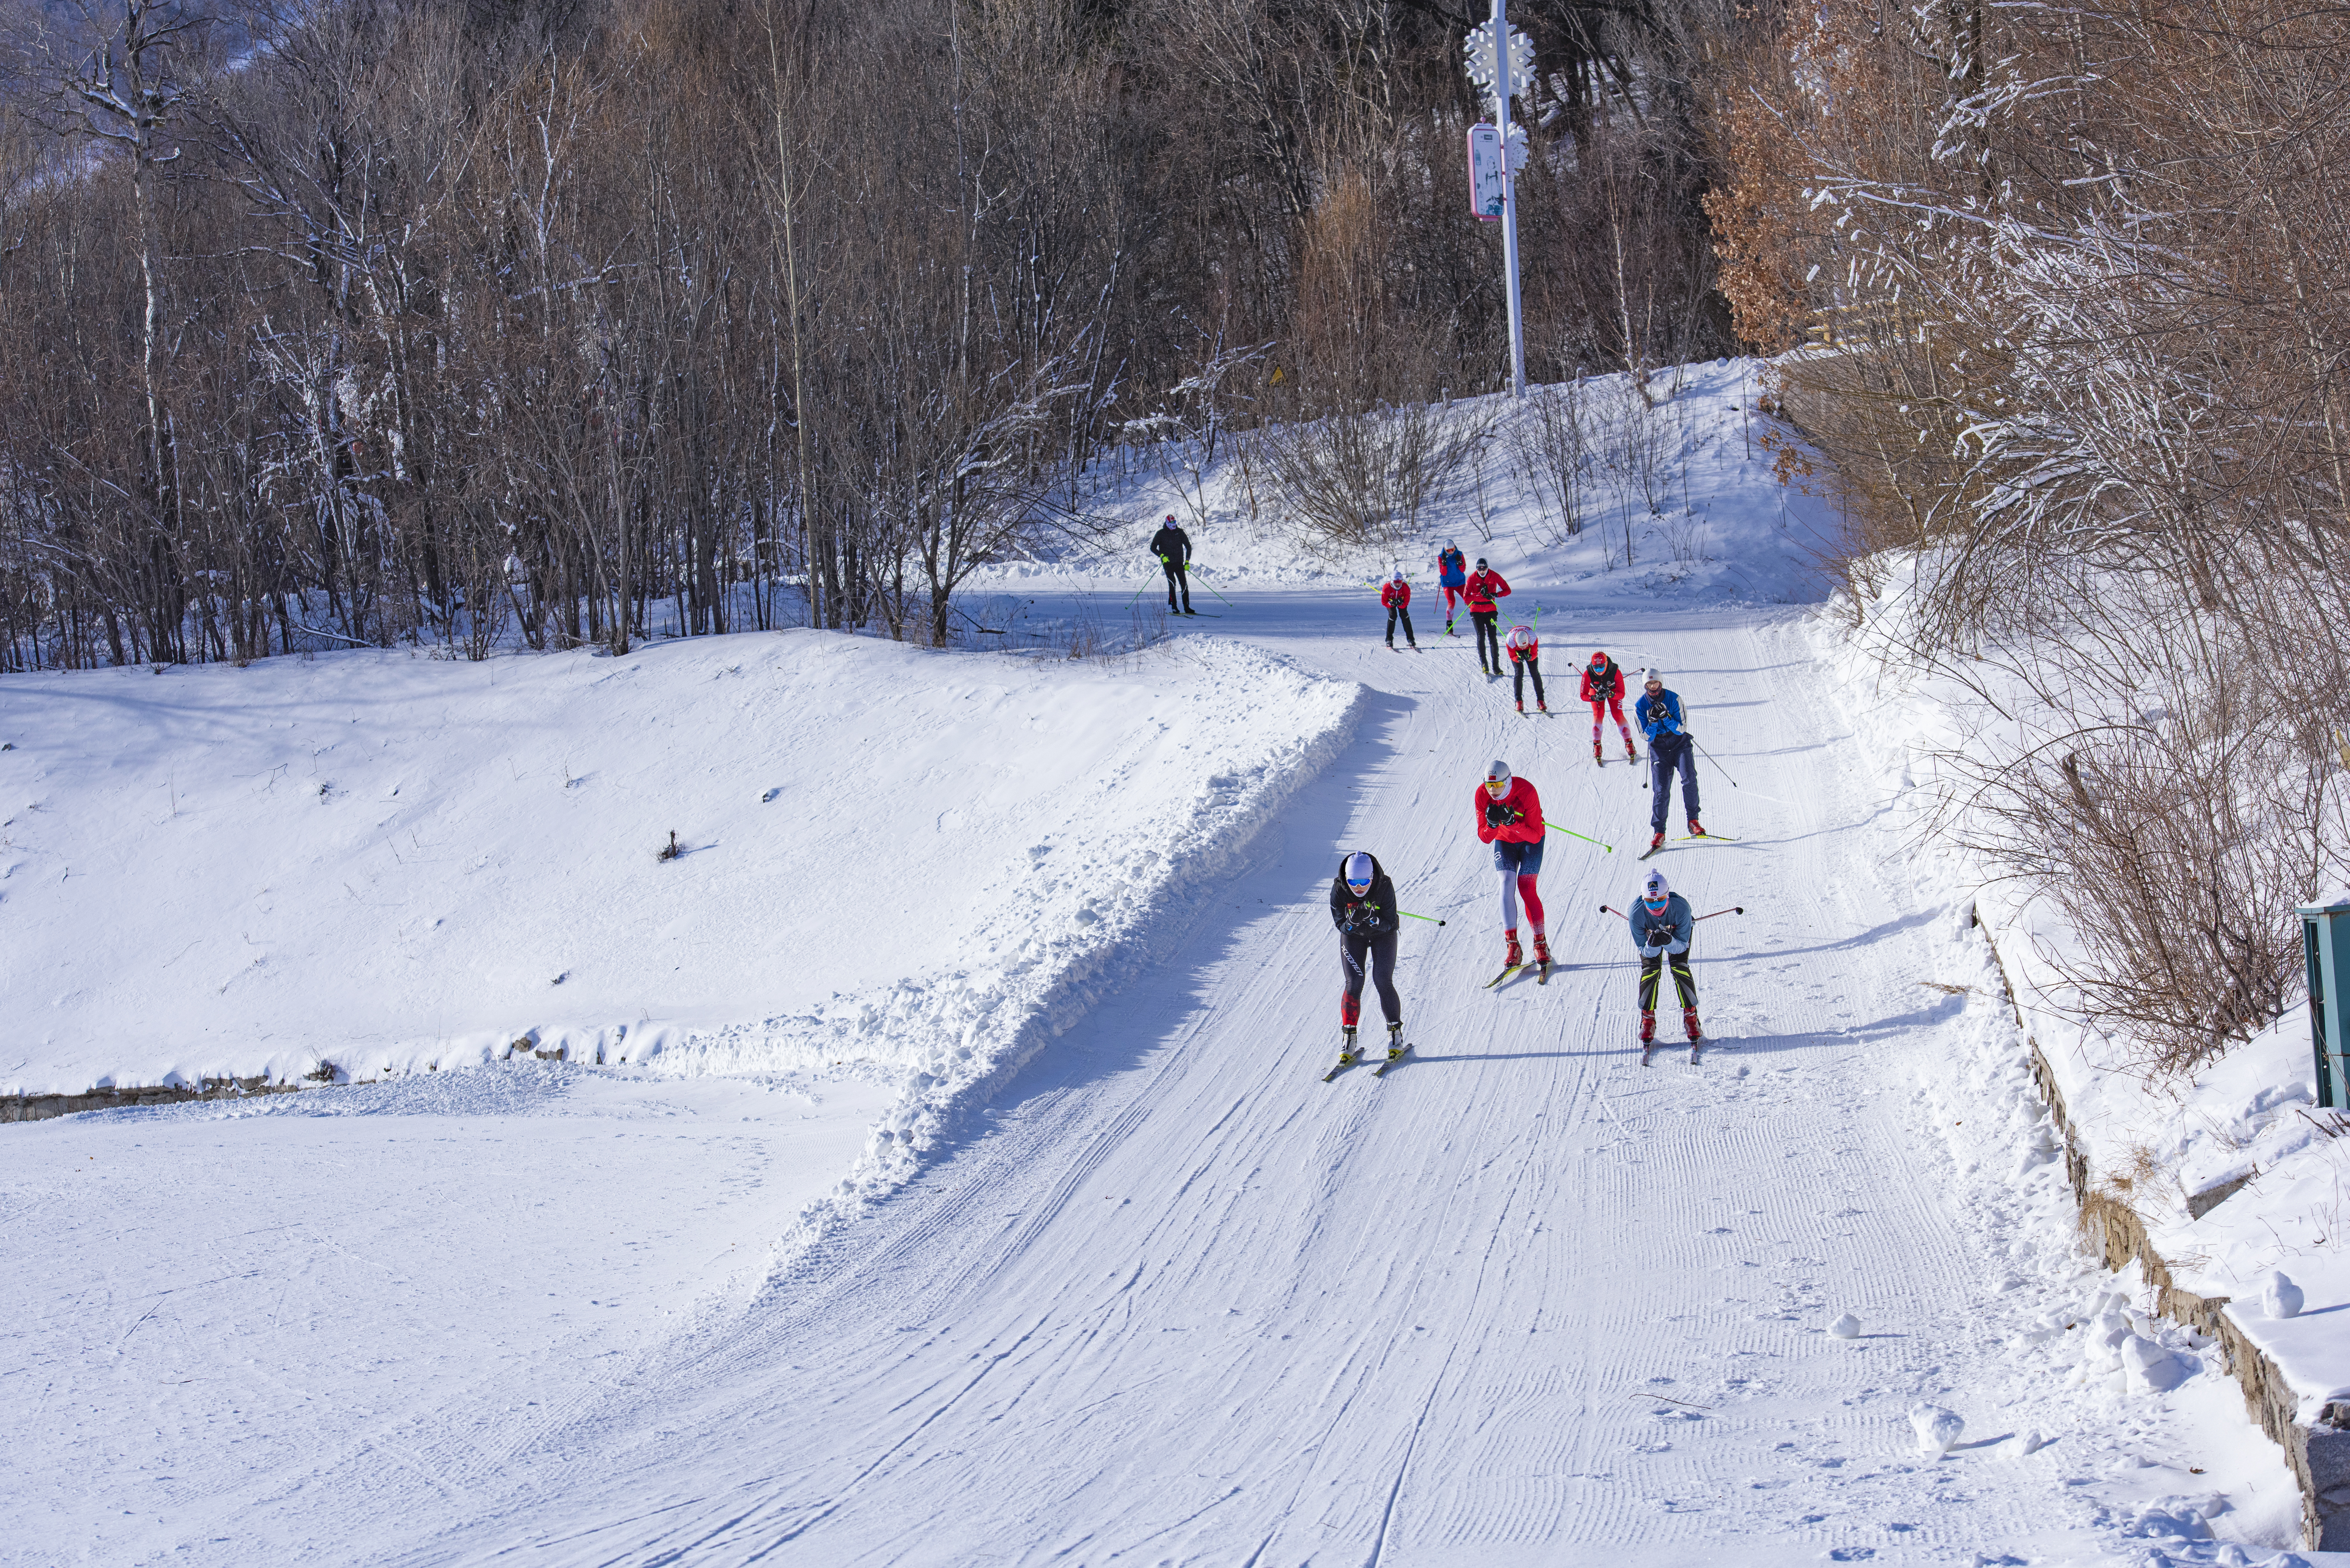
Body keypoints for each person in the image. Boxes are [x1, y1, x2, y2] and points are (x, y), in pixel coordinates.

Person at [1329, 851, 1406, 1066]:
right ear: (1347, 879)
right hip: (1353, 937)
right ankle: (1349, 1038)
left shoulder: (1384, 886)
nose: (1359, 887)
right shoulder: (1339, 890)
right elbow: (1339, 925)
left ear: (1372, 877)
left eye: (1364, 881)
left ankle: (1395, 1035)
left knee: (1382, 980)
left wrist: (1374, 921)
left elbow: (1391, 923)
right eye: (1354, 881)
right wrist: (1351, 924)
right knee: (1354, 983)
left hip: (1383, 936)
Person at [1473, 758, 1549, 972]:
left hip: (1530, 842)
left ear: (1508, 781)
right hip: (1504, 841)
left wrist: (1512, 823)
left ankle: (1540, 942)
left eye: (1497, 786)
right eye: (1490, 786)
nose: (1493, 791)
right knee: (1506, 884)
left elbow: (1535, 836)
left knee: (1526, 888)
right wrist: (1492, 825)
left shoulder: (1527, 792)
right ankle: (1512, 946)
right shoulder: (1482, 795)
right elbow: (1485, 837)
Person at [1629, 867, 1701, 1043]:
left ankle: (1691, 1017)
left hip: (1676, 937)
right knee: (1651, 969)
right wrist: (1653, 944)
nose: (1656, 905)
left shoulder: (1682, 909)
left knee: (1680, 967)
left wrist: (1668, 941)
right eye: (1649, 900)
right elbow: (1644, 951)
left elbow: (1681, 948)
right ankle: (1648, 1020)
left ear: (1668, 895)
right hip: (1650, 939)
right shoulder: (1636, 915)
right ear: (1642, 898)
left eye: (1661, 899)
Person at [1636, 667, 1704, 852]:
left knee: (1689, 780)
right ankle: (1659, 832)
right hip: (1659, 749)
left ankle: (1693, 821)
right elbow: (1646, 737)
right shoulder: (1640, 706)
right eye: (1649, 684)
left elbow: (1681, 729)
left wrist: (1666, 718)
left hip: (1679, 744)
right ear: (1645, 686)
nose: (1653, 687)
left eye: (1656, 683)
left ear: (1661, 683)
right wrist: (1653, 723)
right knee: (1661, 790)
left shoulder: (1674, 699)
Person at [1581, 649, 1638, 764]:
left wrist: (1611, 694)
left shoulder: (1615, 672)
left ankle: (1629, 743)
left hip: (1613, 690)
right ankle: (1597, 746)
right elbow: (1583, 695)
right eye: (1596, 668)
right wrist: (1595, 698)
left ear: (1606, 664)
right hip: (1596, 691)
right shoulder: (1588, 674)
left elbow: (1622, 694)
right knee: (1599, 714)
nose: (1599, 671)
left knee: (1618, 715)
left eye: (1602, 667)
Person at [1463, 557, 1512, 675]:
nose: (1482, 572)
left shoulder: (1494, 576)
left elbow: (1507, 590)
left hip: (1491, 610)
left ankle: (1496, 667)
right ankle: (1485, 665)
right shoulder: (1472, 578)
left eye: (1484, 569)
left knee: (1493, 638)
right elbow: (1466, 597)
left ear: (1487, 567)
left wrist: (1495, 595)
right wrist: (1480, 596)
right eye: (1480, 570)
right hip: (1477, 611)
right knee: (1481, 637)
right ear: (1477, 569)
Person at [1149, 513, 1194, 614]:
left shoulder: (1180, 532)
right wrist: (1162, 556)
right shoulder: (1161, 534)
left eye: (1175, 523)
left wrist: (1187, 561)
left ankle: (1187, 607)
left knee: (1184, 584)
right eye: (1171, 523)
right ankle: (1174, 607)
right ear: (1167, 524)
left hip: (1179, 562)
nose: (1174, 525)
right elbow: (1153, 548)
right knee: (1173, 584)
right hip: (1168, 564)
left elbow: (1188, 546)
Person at [1504, 623, 1545, 712]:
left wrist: (1531, 657)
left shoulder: (1533, 638)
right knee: (1519, 673)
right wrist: (1518, 659)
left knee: (1535, 672)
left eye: (1525, 645)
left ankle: (1541, 701)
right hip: (1516, 650)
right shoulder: (1510, 642)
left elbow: (1535, 654)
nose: (1524, 647)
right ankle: (1519, 702)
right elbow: (1512, 657)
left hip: (1529, 649)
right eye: (1522, 646)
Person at [1380, 570, 1418, 650]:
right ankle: (1389, 640)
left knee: (1405, 616)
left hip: (1402, 601)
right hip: (1390, 602)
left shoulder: (1406, 588)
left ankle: (1411, 639)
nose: (1398, 584)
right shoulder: (1387, 588)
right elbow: (1384, 602)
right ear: (1392, 582)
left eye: (1400, 582)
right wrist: (1391, 604)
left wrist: (1401, 604)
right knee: (1393, 616)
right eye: (1396, 582)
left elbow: (1406, 602)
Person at [1436, 542, 1469, 634]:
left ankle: (1480, 621)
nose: (1450, 552)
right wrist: (1444, 563)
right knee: (1452, 601)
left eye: (1452, 550)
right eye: (1448, 551)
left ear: (1455, 548)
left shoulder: (1460, 554)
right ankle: (1449, 624)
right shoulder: (1441, 557)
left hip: (1460, 582)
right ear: (1445, 550)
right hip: (1448, 583)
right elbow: (1444, 573)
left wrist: (1460, 563)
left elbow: (1463, 570)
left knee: (1469, 599)